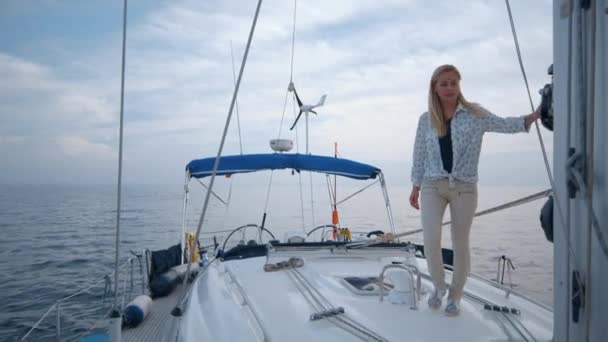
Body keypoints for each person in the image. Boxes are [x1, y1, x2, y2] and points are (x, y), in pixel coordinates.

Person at [409, 64, 540, 316]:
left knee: (460, 242)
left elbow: (503, 124)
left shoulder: (474, 114)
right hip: (431, 185)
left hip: (464, 187)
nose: (449, 88)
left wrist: (531, 118)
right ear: (434, 88)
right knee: (430, 239)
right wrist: (415, 186)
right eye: (444, 83)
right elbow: (419, 154)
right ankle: (438, 286)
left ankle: (455, 296)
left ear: (459, 86)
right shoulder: (426, 119)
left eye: (453, 83)